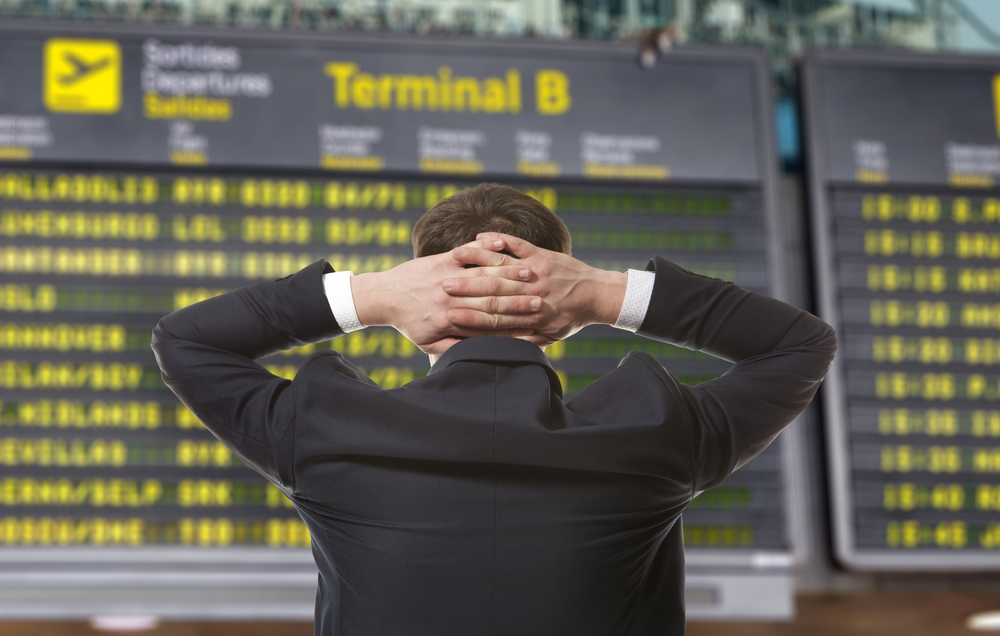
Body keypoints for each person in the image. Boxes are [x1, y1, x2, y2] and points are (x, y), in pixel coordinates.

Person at [151, 183, 836, 636]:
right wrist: (603, 293)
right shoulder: (654, 434)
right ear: (554, 310)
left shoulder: (324, 430)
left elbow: (186, 340)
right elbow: (799, 344)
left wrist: (372, 296)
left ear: (420, 292)